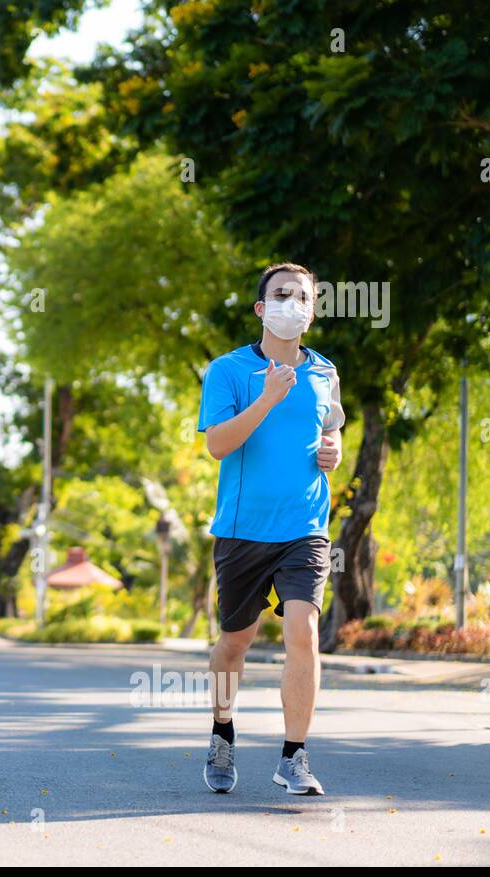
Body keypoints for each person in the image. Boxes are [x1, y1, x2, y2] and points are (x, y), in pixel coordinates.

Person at [196, 262, 344, 796]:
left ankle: (293, 755)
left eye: (301, 295)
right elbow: (217, 445)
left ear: (312, 308)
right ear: (261, 309)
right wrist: (267, 399)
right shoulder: (228, 371)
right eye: (280, 294)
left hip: (305, 526)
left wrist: (333, 453)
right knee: (235, 642)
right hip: (242, 529)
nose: (291, 303)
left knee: (303, 630)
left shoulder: (325, 372)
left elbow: (332, 431)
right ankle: (222, 730)